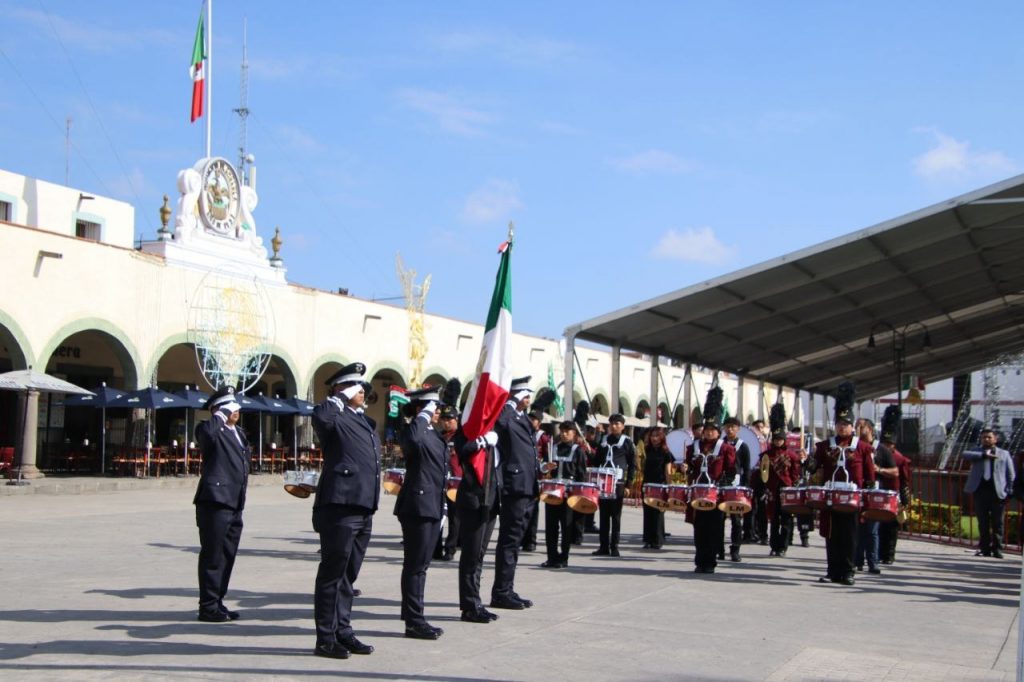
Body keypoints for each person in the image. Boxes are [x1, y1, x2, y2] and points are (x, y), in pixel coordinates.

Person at [311, 362, 380, 660]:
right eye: (356, 386)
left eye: (362, 386)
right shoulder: (333, 415)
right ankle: (325, 638)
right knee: (332, 574)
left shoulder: (361, 420)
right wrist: (338, 396)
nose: (362, 390)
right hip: (340, 506)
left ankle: (343, 630)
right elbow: (320, 417)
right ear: (342, 388)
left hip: (363, 506)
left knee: (348, 577)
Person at [809, 382, 875, 586]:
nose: (841, 427)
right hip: (831, 497)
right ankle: (832, 571)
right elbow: (813, 468)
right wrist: (808, 460)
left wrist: (869, 494)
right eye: (838, 423)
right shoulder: (825, 446)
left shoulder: (862, 448)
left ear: (852, 426)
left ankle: (848, 571)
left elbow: (870, 474)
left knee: (849, 536)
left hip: (852, 498)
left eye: (845, 424)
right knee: (831, 534)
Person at [193, 386, 249, 623]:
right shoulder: (209, 429)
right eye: (229, 407)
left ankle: (218, 601)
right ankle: (207, 606)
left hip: (235, 501)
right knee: (213, 555)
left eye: (234, 406)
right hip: (215, 500)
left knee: (227, 554)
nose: (234, 411)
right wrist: (218, 415)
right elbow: (205, 437)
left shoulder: (239, 432)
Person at [395, 387, 447, 640]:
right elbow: (412, 442)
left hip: (432, 504)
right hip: (417, 505)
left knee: (421, 565)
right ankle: (415, 621)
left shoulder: (432, 432)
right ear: (420, 409)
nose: (437, 411)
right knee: (415, 566)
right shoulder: (413, 430)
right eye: (432, 407)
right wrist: (422, 415)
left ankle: (412, 616)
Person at [490, 376, 538, 610]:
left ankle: (506, 588)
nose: (528, 398)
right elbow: (498, 422)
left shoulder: (522, 418)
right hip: (515, 486)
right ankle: (500, 592)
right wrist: (509, 402)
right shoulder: (507, 414)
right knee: (509, 540)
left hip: (527, 486)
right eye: (524, 394)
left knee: (515, 540)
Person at [454, 416, 499, 624]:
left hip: (491, 499)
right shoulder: (466, 432)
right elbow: (462, 451)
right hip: (474, 499)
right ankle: (469, 606)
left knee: (479, 554)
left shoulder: (494, 434)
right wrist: (481, 441)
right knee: (471, 555)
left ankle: (476, 602)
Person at [687, 386, 736, 574]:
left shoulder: (726, 448)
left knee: (714, 528)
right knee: (699, 527)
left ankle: (711, 562)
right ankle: (700, 561)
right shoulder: (694, 446)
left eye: (712, 430)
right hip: (698, 492)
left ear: (718, 431)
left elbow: (732, 470)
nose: (708, 433)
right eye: (706, 429)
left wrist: (723, 483)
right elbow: (690, 466)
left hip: (716, 493)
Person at [541, 420, 588, 568]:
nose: (564, 433)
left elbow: (582, 475)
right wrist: (545, 467)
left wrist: (578, 495)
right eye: (562, 431)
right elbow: (543, 467)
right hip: (552, 493)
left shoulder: (578, 450)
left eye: (568, 431)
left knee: (567, 527)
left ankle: (564, 558)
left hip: (568, 494)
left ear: (574, 434)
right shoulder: (552, 448)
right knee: (551, 526)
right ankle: (551, 557)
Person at [963, 428, 1015, 558]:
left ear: (995, 439)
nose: (986, 439)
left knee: (998, 523)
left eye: (989, 437)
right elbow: (965, 454)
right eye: (984, 437)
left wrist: (1009, 491)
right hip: (980, 491)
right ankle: (984, 548)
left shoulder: (1004, 454)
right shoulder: (976, 451)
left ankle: (997, 549)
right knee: (983, 522)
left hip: (997, 492)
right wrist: (984, 455)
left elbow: (1010, 474)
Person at [591, 413, 637, 557]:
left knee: (616, 516)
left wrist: (629, 484)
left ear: (623, 426)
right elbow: (596, 461)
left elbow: (632, 464)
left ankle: (615, 547)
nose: (614, 426)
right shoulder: (604, 440)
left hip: (618, 483)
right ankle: (603, 546)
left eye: (618, 424)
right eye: (612, 424)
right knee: (604, 515)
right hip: (604, 482)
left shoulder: (627, 442)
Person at [762, 404, 800, 557]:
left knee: (786, 520)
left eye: (780, 439)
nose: (778, 442)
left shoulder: (791, 455)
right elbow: (762, 473)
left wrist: (794, 485)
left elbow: (795, 473)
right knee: (773, 520)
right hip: (772, 490)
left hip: (786, 490)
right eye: (776, 439)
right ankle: (773, 545)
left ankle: (783, 546)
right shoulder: (766, 454)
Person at [875, 406, 911, 565]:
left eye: (889, 443)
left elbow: (905, 480)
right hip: (877, 494)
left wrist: (904, 499)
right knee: (878, 526)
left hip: (893, 495)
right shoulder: (875, 454)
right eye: (884, 443)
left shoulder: (901, 459)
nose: (886, 446)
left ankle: (889, 555)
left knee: (891, 527)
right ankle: (877, 553)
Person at [721, 417, 752, 562]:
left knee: (736, 520)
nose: (730, 429)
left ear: (738, 429)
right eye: (727, 427)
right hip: (721, 484)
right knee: (719, 519)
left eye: (733, 427)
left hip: (737, 485)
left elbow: (746, 468)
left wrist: (745, 486)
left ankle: (735, 549)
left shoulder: (743, 446)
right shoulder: (719, 444)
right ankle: (718, 548)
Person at [854, 418, 881, 575]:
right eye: (856, 426)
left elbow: (894, 470)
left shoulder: (880, 449)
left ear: (870, 429)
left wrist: (880, 469)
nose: (858, 429)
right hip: (858, 493)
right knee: (857, 530)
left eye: (861, 426)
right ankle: (857, 561)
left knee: (872, 531)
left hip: (874, 494)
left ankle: (873, 562)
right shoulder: (853, 448)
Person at [436, 404, 463, 562]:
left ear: (456, 419)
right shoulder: (440, 436)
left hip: (456, 483)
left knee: (455, 518)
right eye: (444, 419)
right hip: (440, 482)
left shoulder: (461, 436)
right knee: (438, 516)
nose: (446, 422)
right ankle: (436, 548)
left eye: (450, 419)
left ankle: (450, 549)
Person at [641, 426, 672, 549]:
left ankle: (658, 539)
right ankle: (648, 539)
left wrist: (669, 487)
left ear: (661, 438)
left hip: (660, 485)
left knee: (658, 513)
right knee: (647, 512)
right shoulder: (646, 450)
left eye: (657, 436)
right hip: (647, 484)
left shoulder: (666, 452)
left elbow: (668, 470)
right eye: (652, 436)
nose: (654, 438)